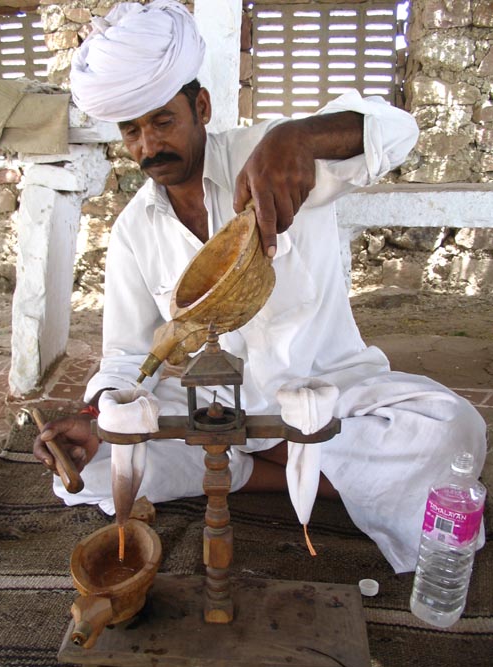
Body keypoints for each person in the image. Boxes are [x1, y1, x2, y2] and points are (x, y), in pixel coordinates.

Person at [33, 0, 486, 574]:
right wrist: (100, 413)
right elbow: (126, 354)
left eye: (162, 121)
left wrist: (302, 136)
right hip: (214, 408)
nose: (148, 147)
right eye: (132, 131)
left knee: (453, 433)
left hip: (326, 394)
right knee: (87, 474)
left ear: (201, 106)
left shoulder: (273, 157)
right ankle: (298, 476)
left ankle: (263, 466)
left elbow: (398, 132)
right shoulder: (132, 231)